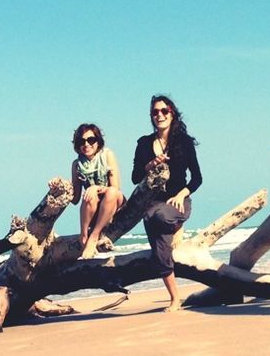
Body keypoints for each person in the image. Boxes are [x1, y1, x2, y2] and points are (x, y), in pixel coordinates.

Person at [131, 94, 202, 313]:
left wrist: (182, 194)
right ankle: (175, 299)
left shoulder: (184, 142)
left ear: (172, 113)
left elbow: (197, 178)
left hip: (178, 203)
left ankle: (177, 226)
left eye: (164, 111)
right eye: (155, 112)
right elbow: (135, 178)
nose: (159, 115)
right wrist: (150, 164)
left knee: (161, 216)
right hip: (152, 205)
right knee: (160, 251)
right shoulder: (143, 144)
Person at [70, 122, 125, 260]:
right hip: (93, 207)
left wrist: (95, 188)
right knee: (91, 196)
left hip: (113, 202)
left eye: (91, 140)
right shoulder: (77, 164)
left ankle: (94, 236)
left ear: (98, 141)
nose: (86, 144)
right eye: (82, 141)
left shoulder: (107, 155)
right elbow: (75, 199)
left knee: (110, 192)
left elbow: (116, 187)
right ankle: (84, 235)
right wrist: (60, 187)